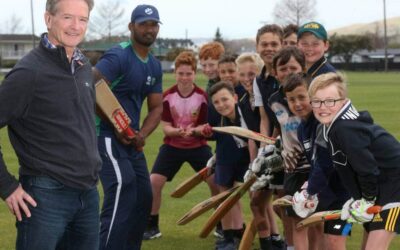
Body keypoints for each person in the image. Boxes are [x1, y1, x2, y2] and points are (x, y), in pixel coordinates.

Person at [0, 0, 101, 249]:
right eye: (67, 17)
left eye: (83, 19)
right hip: (45, 197)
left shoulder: (83, 66)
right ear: (48, 19)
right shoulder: (28, 73)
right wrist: (7, 186)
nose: (76, 26)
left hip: (87, 195)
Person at [93, 4, 163, 250]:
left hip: (130, 139)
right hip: (105, 135)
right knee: (123, 187)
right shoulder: (119, 55)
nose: (149, 29)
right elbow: (94, 87)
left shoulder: (154, 64)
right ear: (131, 26)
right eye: (143, 24)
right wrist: (117, 126)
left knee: (144, 196)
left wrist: (141, 134)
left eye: (153, 24)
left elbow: (156, 107)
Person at [309, 72, 400, 250]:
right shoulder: (332, 127)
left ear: (343, 101)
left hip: (394, 188)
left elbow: (366, 169)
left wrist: (366, 200)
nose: (323, 107)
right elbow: (349, 170)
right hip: (382, 188)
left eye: (330, 101)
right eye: (317, 101)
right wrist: (357, 199)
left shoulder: (344, 128)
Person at [143, 51, 217, 240]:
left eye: (188, 73)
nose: (184, 78)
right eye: (181, 73)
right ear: (175, 73)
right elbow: (166, 128)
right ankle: (152, 226)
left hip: (197, 146)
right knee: (153, 182)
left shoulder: (202, 96)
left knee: (216, 181)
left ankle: (222, 225)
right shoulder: (167, 96)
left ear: (194, 73)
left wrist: (195, 131)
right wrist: (177, 132)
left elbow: (205, 126)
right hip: (173, 146)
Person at [283, 73, 351, 250]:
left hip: (343, 192)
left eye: (301, 97)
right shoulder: (302, 129)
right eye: (291, 99)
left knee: (336, 239)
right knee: (301, 223)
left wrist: (309, 191)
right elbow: (315, 164)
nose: (297, 104)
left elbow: (326, 164)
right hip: (325, 189)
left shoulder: (323, 121)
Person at [252, 24, 286, 250]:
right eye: (264, 44)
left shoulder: (288, 72)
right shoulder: (259, 79)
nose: (269, 48)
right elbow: (265, 118)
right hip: (273, 144)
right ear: (257, 46)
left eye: (274, 43)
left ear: (282, 45)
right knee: (257, 201)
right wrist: (266, 147)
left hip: (293, 146)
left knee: (284, 204)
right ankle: (270, 243)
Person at [205, 82, 250, 250]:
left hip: (246, 161)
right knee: (224, 199)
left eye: (225, 99)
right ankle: (228, 237)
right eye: (216, 102)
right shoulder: (216, 117)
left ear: (235, 97)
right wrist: (215, 158)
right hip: (225, 158)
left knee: (240, 199)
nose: (221, 105)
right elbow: (216, 137)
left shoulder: (246, 114)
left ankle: (242, 234)